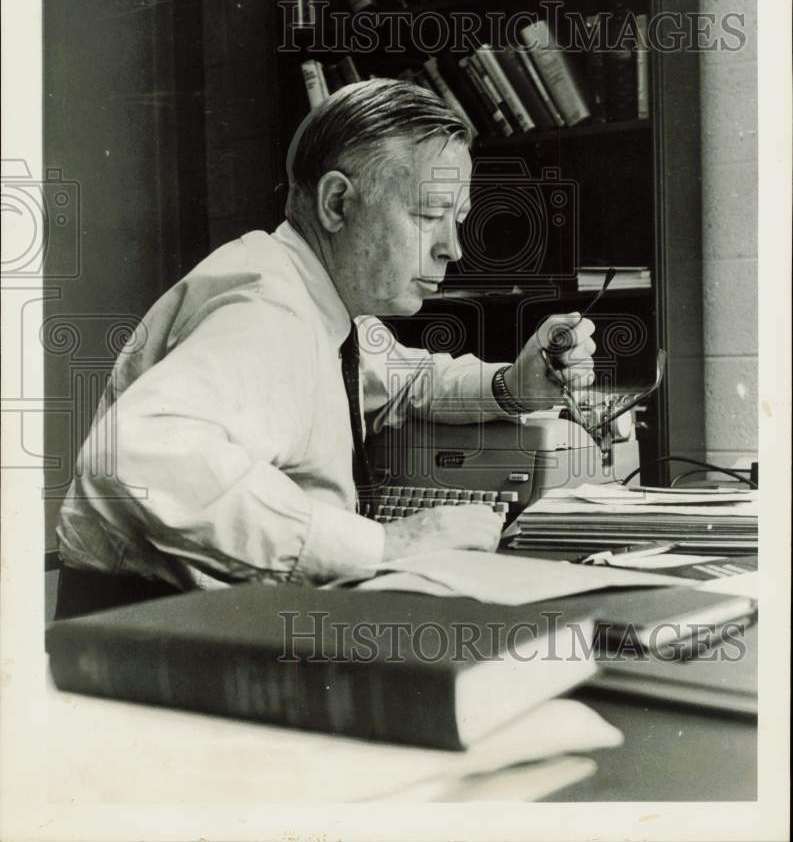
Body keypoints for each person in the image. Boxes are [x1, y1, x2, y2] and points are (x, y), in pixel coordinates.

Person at [55, 79, 595, 616]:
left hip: (176, 613)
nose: (452, 248)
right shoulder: (268, 314)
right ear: (337, 203)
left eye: (457, 219)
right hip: (149, 627)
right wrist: (386, 547)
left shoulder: (316, 298)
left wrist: (514, 384)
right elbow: (139, 456)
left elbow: (403, 377)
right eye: (430, 215)